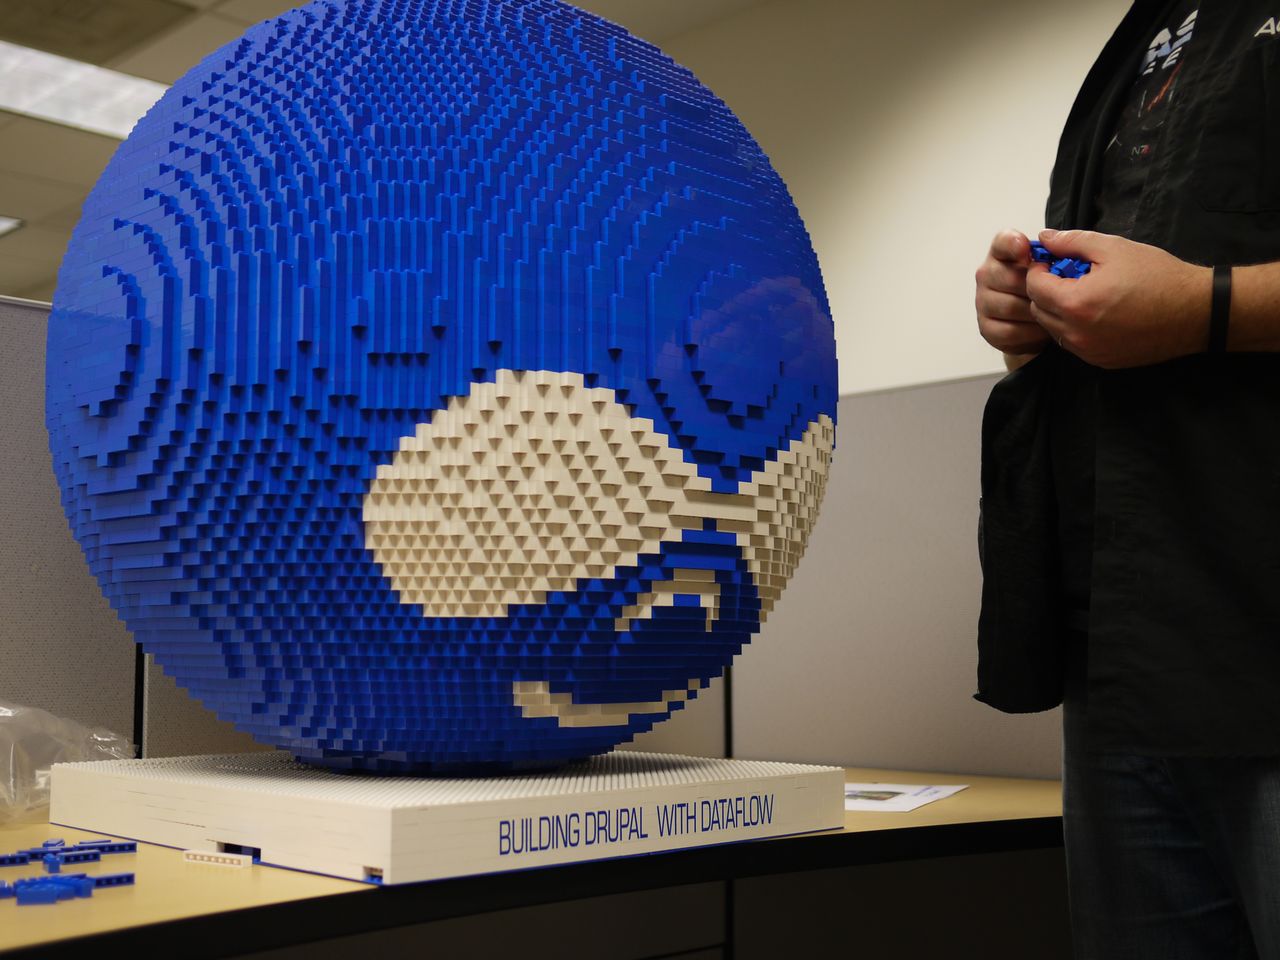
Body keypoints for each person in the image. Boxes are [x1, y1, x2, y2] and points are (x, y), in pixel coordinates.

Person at [974, 3, 1280, 958]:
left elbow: (1188, 298)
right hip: (1124, 656)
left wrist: (1206, 307)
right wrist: (1033, 314)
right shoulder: (1150, 29)